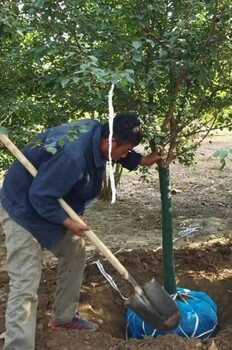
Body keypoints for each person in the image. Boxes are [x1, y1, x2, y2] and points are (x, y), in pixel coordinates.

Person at [0, 112, 161, 350]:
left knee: (75, 252)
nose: (125, 155)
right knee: (26, 283)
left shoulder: (98, 133)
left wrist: (139, 161)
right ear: (112, 141)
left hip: (50, 197)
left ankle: (63, 319)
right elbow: (40, 196)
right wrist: (67, 222)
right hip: (23, 207)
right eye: (125, 150)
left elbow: (114, 154)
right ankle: (18, 346)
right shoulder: (73, 156)